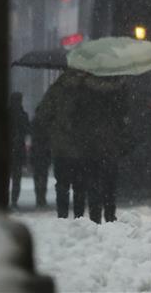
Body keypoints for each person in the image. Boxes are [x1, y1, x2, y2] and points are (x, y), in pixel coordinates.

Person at [74, 75, 131, 224]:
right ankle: (110, 215)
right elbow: (123, 114)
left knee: (93, 183)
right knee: (109, 184)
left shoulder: (84, 89)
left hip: (90, 143)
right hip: (110, 143)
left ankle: (95, 217)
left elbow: (78, 114)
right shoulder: (117, 90)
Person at [34, 70, 87, 219]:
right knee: (80, 185)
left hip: (60, 146)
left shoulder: (57, 89)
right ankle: (79, 217)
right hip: (82, 146)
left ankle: (62, 216)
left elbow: (42, 114)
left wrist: (53, 128)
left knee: (62, 184)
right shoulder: (86, 90)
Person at [7, 92, 31, 210]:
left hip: (8, 149)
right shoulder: (23, 115)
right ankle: (14, 201)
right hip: (18, 150)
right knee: (17, 178)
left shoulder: (7, 114)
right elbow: (28, 130)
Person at [29, 116, 52, 209]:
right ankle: (42, 197)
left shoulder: (34, 123)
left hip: (37, 155)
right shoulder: (46, 123)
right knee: (43, 178)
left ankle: (39, 197)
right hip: (43, 155)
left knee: (37, 178)